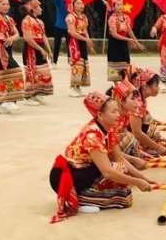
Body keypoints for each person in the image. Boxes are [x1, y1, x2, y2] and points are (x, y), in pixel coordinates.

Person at [48, 91, 157, 223]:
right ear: (100, 115)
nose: (118, 115)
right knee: (123, 196)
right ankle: (80, 198)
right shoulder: (92, 135)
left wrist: (143, 177)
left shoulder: (109, 129)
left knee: (121, 173)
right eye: (113, 112)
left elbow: (119, 159)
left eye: (117, 111)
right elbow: (107, 172)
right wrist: (137, 182)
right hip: (70, 177)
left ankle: (90, 195)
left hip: (86, 172)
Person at [21, 0, 53, 105]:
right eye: (39, 7)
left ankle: (37, 93)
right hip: (31, 48)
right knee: (32, 70)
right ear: (33, 9)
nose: (41, 9)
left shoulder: (40, 21)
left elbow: (44, 36)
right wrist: (40, 49)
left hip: (40, 46)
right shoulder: (26, 20)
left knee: (42, 71)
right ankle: (28, 96)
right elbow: (28, 38)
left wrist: (49, 50)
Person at [106, 0, 144, 82]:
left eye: (121, 5)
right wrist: (128, 40)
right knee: (115, 65)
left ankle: (124, 85)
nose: (120, 7)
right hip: (114, 44)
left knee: (125, 64)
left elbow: (130, 31)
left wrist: (137, 43)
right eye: (117, 5)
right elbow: (114, 34)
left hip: (123, 44)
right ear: (114, 6)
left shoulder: (126, 18)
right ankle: (115, 86)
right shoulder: (112, 18)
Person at [65, 0, 93, 97]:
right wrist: (85, 39)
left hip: (82, 41)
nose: (81, 5)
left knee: (83, 64)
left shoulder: (84, 17)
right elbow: (72, 32)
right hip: (74, 42)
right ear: (73, 5)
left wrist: (88, 40)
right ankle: (73, 87)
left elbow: (85, 30)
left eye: (82, 3)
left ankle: (78, 86)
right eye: (78, 3)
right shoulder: (70, 17)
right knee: (76, 63)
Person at [45, 0, 68, 65]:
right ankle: (54, 61)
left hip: (69, 26)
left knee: (70, 44)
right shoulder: (60, 1)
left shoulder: (71, 3)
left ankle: (70, 60)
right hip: (59, 26)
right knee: (57, 44)